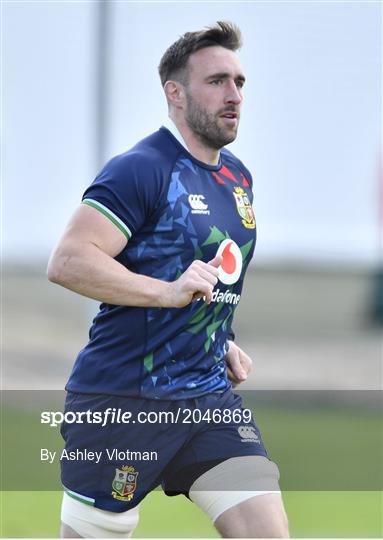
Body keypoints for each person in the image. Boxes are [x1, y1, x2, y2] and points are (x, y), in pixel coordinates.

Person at [48, 21, 289, 539]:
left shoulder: (237, 178)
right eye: (217, 81)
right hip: (123, 403)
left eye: (240, 82)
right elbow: (69, 259)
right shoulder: (142, 168)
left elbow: (202, 273)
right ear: (174, 93)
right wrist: (167, 293)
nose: (234, 95)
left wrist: (219, 335)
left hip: (208, 400)